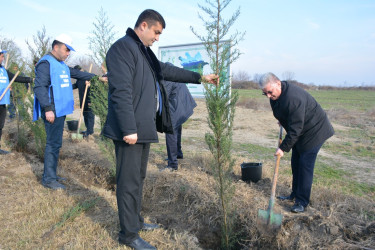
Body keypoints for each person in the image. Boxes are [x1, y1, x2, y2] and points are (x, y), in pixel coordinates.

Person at [102, 9, 218, 249]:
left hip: (143, 127)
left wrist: (200, 78)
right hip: (130, 130)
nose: (157, 38)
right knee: (128, 181)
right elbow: (120, 90)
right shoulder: (122, 48)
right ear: (143, 25)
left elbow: (167, 70)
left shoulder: (143, 51)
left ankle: (135, 221)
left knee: (139, 178)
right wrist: (128, 128)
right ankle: (128, 235)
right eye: (156, 32)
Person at [258, 72, 334, 213]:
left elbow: (296, 129)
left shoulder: (293, 98)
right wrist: (283, 119)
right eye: (265, 93)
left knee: (305, 165)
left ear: (278, 84)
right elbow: (284, 112)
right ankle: (294, 194)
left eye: (270, 92)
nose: (268, 96)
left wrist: (282, 148)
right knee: (296, 163)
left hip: (314, 131)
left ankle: (302, 202)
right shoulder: (277, 94)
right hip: (301, 132)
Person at [33, 34, 100, 190]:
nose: (68, 53)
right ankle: (48, 179)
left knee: (56, 144)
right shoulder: (45, 63)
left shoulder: (61, 64)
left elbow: (77, 74)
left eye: (69, 50)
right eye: (66, 49)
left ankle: (52, 175)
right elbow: (39, 88)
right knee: (52, 143)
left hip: (60, 109)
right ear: (56, 47)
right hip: (52, 110)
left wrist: (98, 78)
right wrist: (48, 109)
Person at [163, 67, 197, 171]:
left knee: (170, 131)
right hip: (184, 105)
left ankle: (172, 164)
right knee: (177, 129)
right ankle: (178, 154)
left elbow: (164, 95)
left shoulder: (166, 77)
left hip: (177, 107)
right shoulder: (173, 73)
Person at [0, 49, 33, 154]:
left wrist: (30, 80)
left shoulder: (4, 70)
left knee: (0, 126)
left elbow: (17, 78)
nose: (3, 58)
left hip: (2, 103)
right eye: (1, 56)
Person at [72, 65, 95, 139]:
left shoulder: (88, 77)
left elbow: (95, 88)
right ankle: (87, 130)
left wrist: (90, 84)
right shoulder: (79, 79)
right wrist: (67, 86)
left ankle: (90, 132)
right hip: (83, 100)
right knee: (85, 115)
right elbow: (76, 85)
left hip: (89, 100)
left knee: (90, 116)